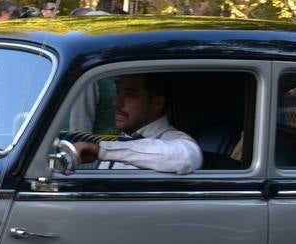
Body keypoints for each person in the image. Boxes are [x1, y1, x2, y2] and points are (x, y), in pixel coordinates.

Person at [65, 74, 202, 174]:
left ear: (157, 104)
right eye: (118, 93)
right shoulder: (119, 141)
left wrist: (101, 150)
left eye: (129, 95)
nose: (116, 103)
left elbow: (185, 157)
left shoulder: (176, 142)